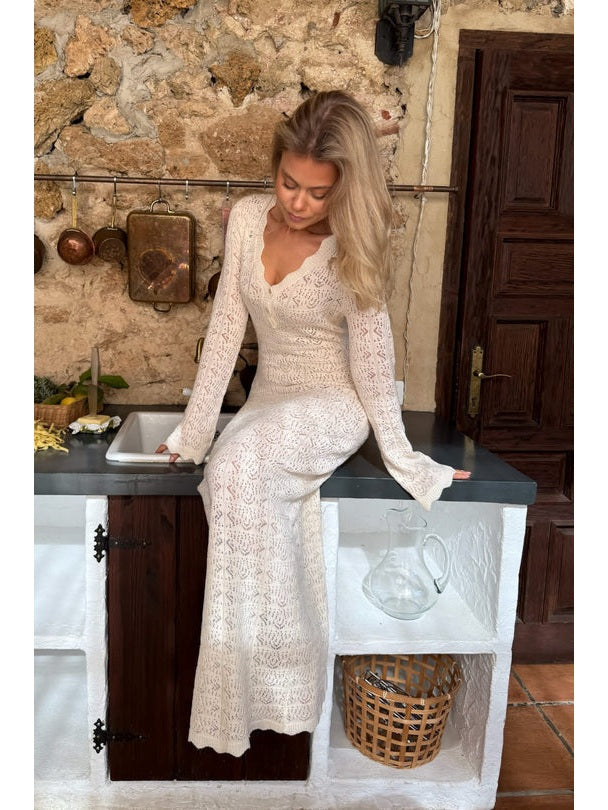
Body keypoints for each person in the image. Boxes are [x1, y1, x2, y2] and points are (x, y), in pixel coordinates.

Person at [155, 90, 470, 758]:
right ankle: (241, 680)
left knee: (237, 469)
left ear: (345, 187)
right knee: (227, 472)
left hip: (333, 401)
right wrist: (195, 430)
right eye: (288, 183)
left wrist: (404, 456)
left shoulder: (355, 241)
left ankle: (281, 677)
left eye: (318, 192)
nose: (298, 202)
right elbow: (225, 330)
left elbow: (373, 360)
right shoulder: (247, 219)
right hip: (270, 396)